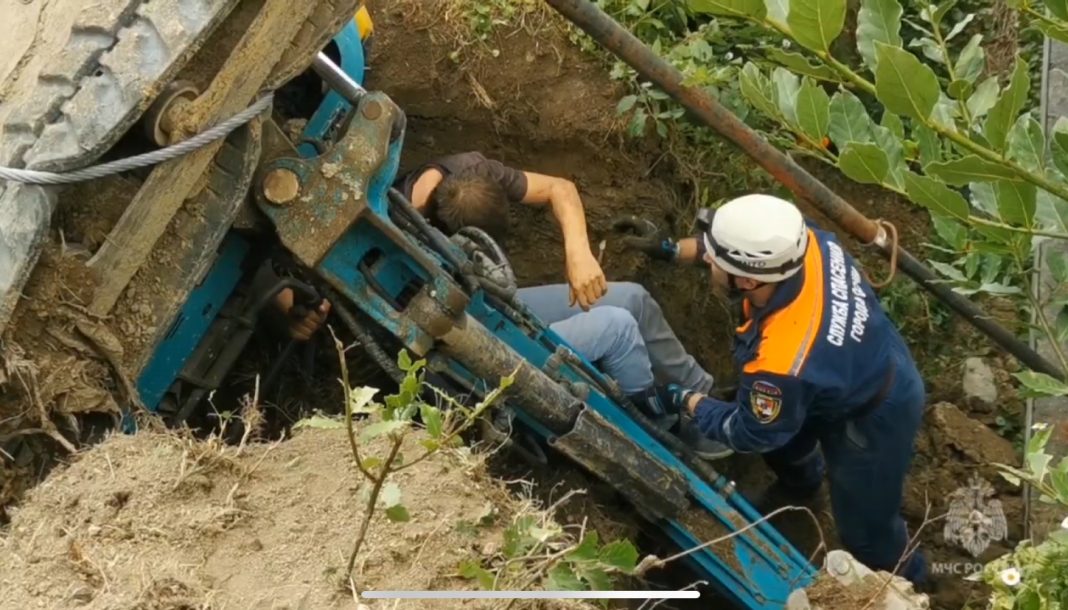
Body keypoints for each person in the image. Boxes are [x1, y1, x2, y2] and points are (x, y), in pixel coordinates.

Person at [624, 194, 928, 586]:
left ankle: (913, 583)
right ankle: (801, 489)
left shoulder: (781, 365)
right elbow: (740, 257)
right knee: (786, 445)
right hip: (859, 359)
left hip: (872, 414)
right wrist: (671, 250)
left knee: (866, 534)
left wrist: (684, 399)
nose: (708, 260)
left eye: (714, 259)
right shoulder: (805, 242)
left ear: (749, 282)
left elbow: (749, 431)